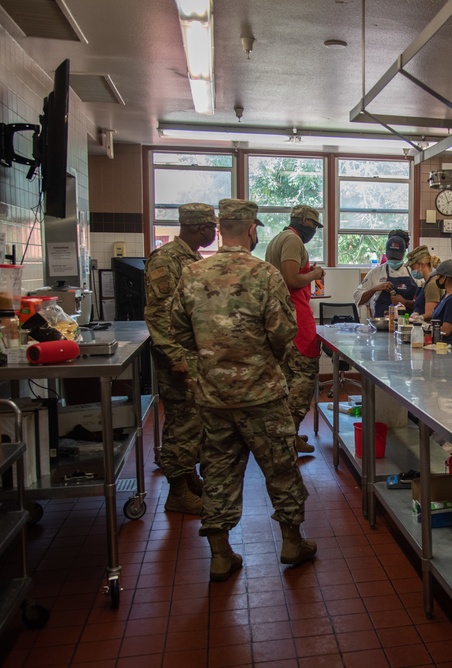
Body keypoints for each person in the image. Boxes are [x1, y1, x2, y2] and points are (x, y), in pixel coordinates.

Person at [170, 198, 316, 582]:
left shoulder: (191, 273)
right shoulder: (264, 274)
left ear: (220, 228)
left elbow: (180, 332)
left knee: (217, 469)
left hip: (213, 396)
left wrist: (211, 355)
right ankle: (291, 542)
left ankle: (220, 554)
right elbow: (284, 333)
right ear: (252, 230)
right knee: (281, 468)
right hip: (261, 395)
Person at [144, 202, 218, 515]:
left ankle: (188, 478)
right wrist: (175, 356)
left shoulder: (190, 258)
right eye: (212, 227)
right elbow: (158, 313)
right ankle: (177, 493)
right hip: (180, 357)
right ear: (200, 228)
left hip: (194, 354)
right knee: (182, 423)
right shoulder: (167, 260)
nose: (215, 232)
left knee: (194, 421)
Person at [265, 204, 325, 456]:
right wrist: (315, 274)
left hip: (282, 319)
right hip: (296, 320)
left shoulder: (278, 238)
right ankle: (284, 441)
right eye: (313, 225)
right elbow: (291, 279)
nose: (313, 230)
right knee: (304, 380)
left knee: (288, 381)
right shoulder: (292, 240)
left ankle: (284, 436)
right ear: (303, 220)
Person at [352, 233, 417, 317]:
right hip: (381, 323)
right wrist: (374, 289)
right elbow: (358, 299)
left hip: (408, 323)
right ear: (386, 253)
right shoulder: (376, 273)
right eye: (391, 257)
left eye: (396, 258)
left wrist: (404, 302)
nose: (393, 260)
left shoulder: (412, 271)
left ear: (403, 254)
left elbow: (422, 304)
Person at [405, 245, 443, 321]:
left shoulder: (432, 285)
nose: (412, 271)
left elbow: (431, 314)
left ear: (421, 265)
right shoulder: (425, 284)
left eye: (413, 268)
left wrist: (418, 317)